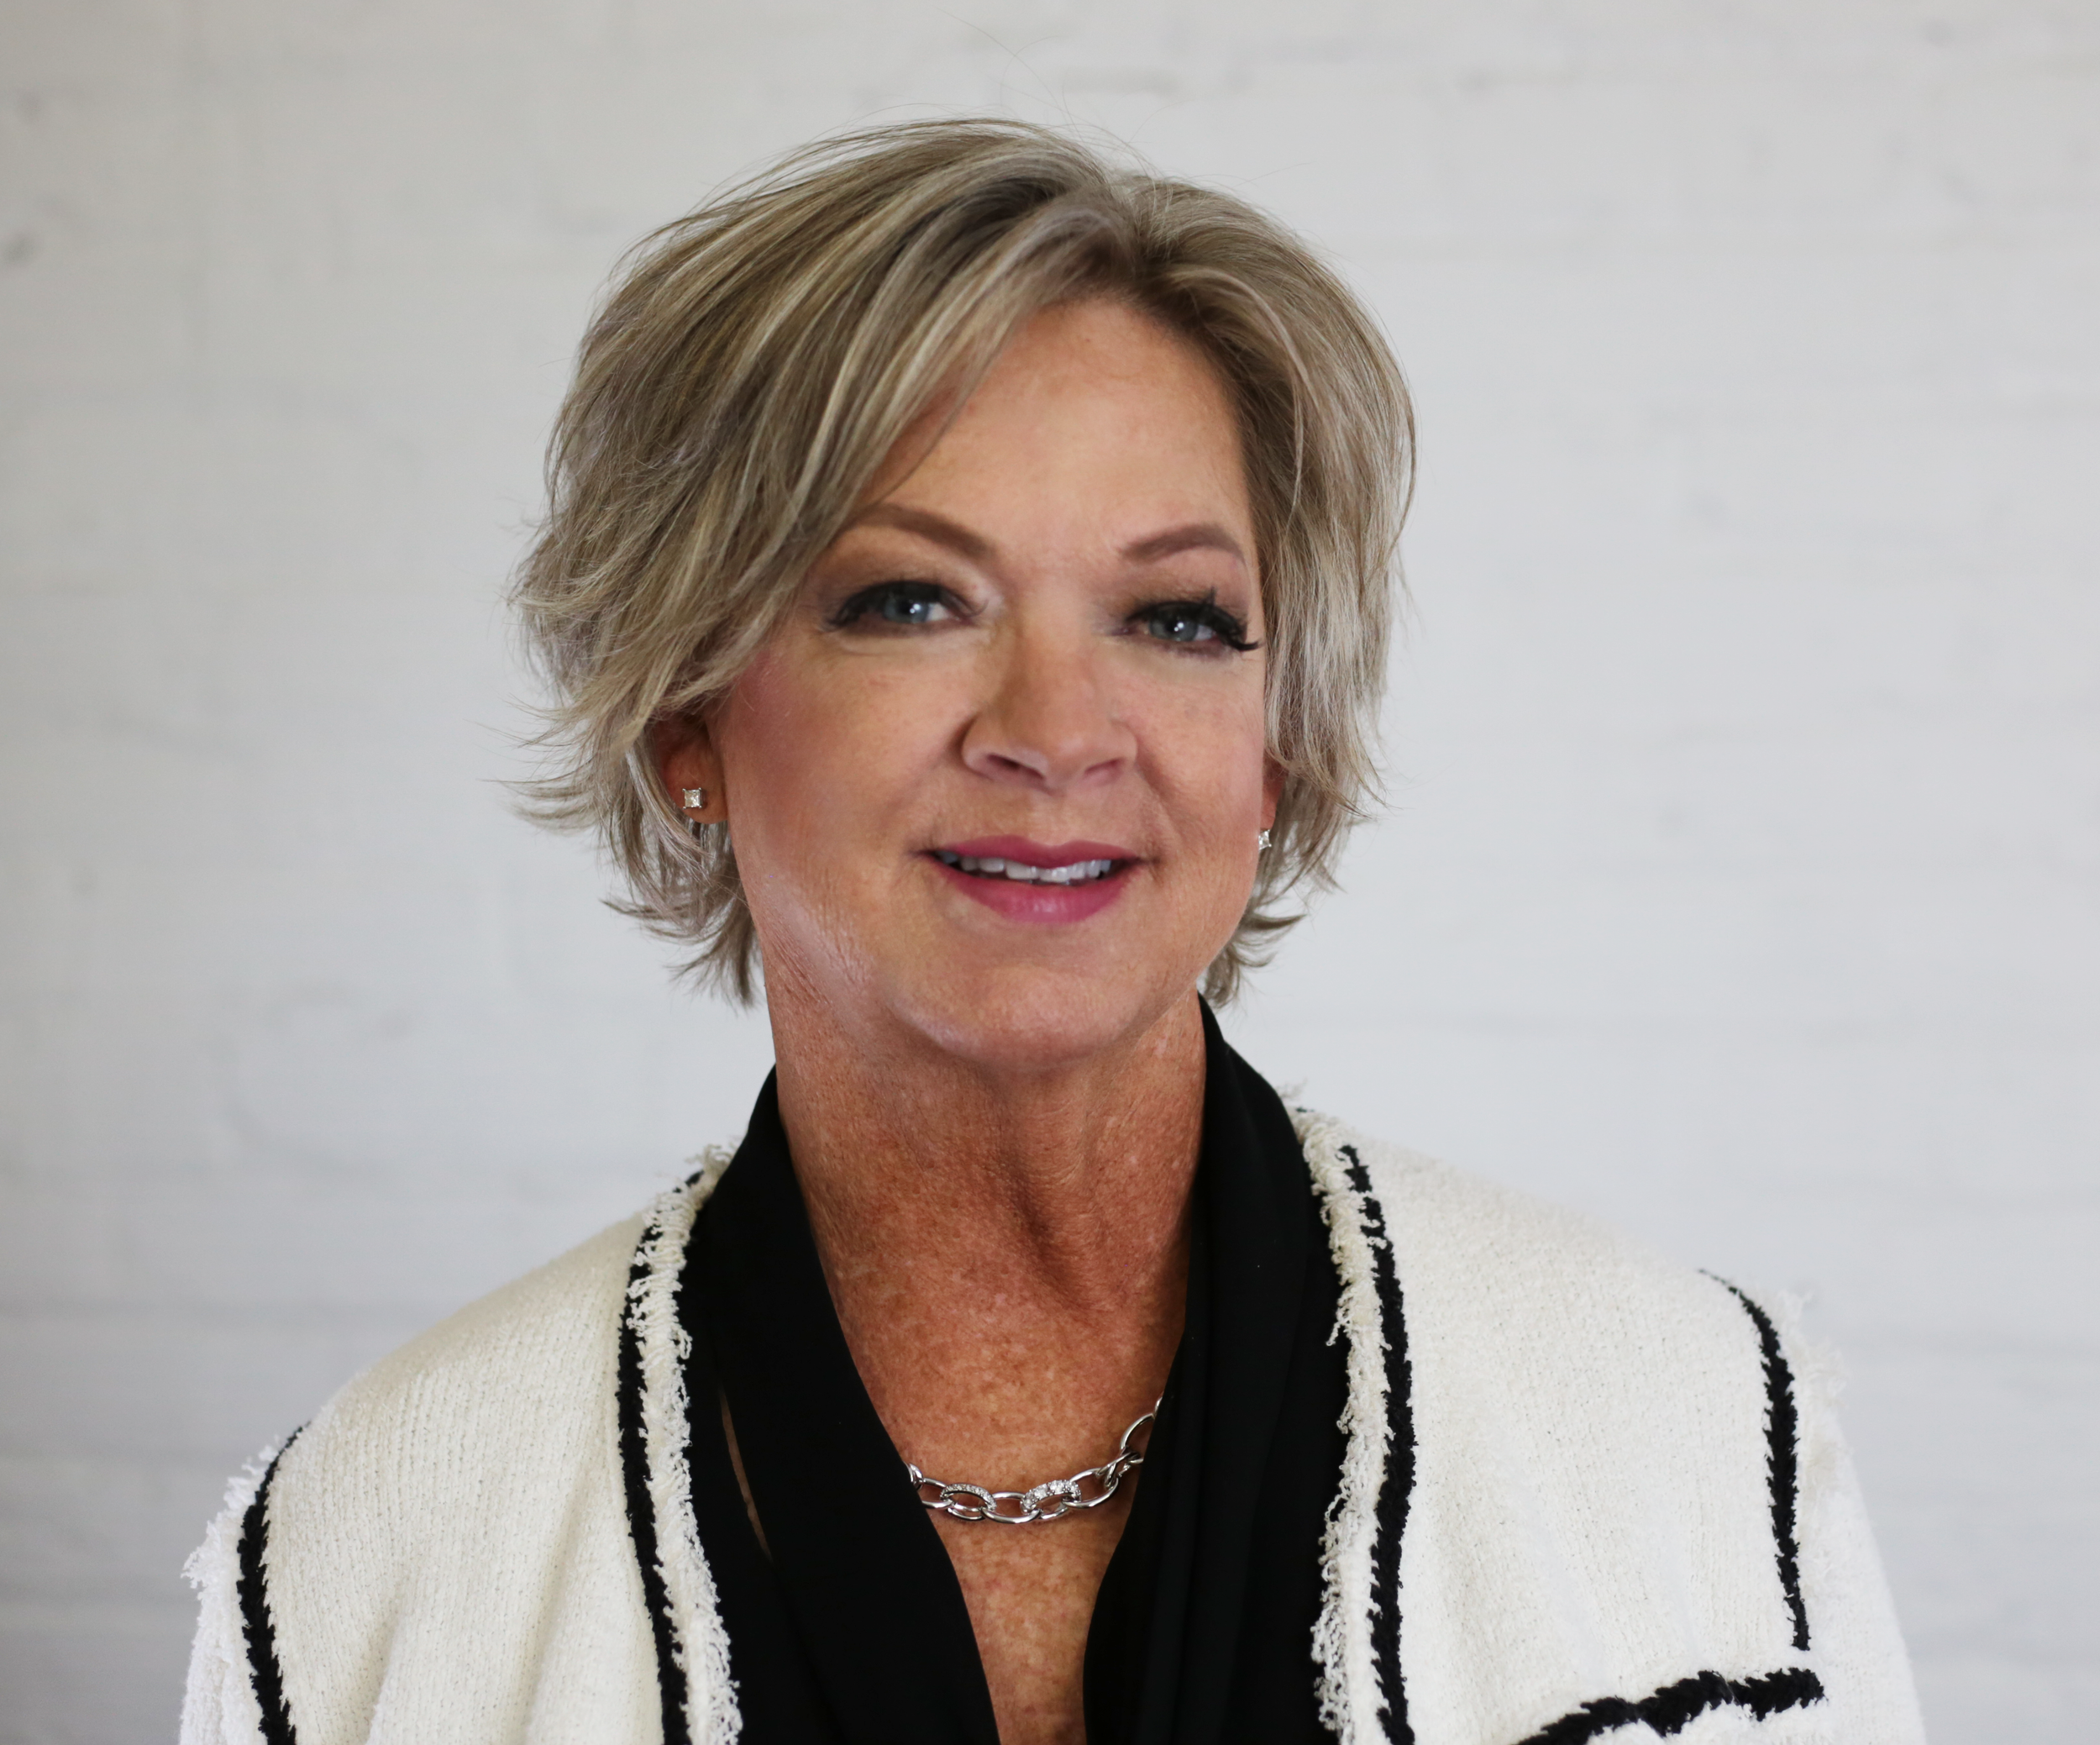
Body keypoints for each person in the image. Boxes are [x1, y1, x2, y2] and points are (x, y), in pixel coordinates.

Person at [181, 120, 1924, 1745]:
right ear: (685, 716)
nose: (1059, 731)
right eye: (910, 599)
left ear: (1274, 745)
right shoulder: (357, 1563)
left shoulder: (1697, 1432)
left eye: (1175, 618)